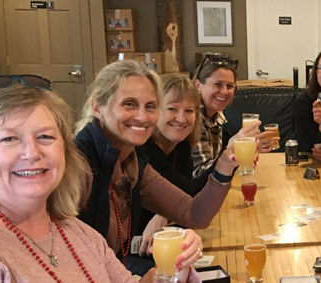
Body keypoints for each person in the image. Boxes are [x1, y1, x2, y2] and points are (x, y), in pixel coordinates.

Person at [0, 80, 202, 283]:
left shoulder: (77, 234)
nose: (31, 152)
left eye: (45, 137)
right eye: (9, 139)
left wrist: (174, 268)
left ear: (65, 152)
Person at [74, 61, 230, 268]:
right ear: (97, 107)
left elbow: (194, 214)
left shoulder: (134, 161)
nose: (142, 116)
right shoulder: (78, 163)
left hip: (113, 277)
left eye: (150, 107)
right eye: (129, 104)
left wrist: (226, 165)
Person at [143, 73, 240, 197]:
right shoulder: (146, 152)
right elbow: (189, 194)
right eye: (172, 109)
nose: (181, 119)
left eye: (188, 110)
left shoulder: (181, 146)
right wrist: (226, 157)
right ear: (153, 110)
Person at [190, 54, 275, 177]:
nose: (225, 91)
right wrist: (233, 146)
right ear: (198, 85)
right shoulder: (194, 117)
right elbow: (200, 174)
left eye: (229, 86)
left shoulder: (216, 116)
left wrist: (248, 149)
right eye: (218, 84)